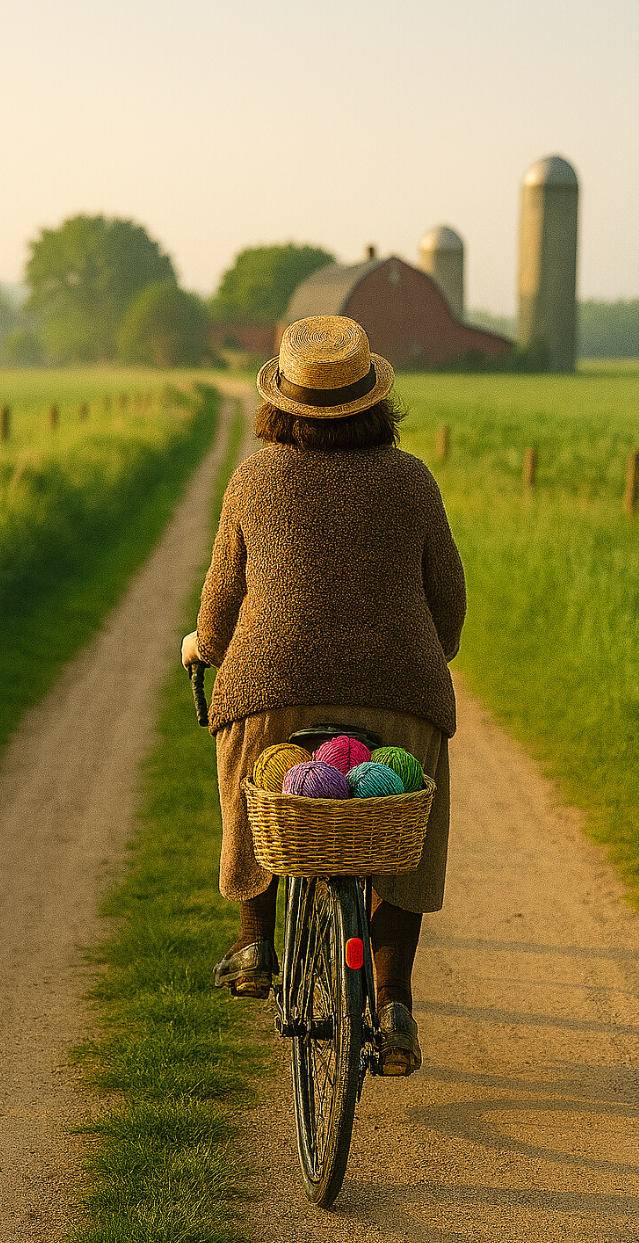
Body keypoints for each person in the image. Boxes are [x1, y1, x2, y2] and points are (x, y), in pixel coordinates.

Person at [181, 314, 465, 1076]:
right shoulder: (411, 478)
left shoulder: (254, 477)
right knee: (407, 822)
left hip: (272, 683)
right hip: (401, 687)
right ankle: (395, 999)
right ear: (374, 399)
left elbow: (221, 601)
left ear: (280, 403)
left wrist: (205, 649)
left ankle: (252, 941)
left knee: (251, 783)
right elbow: (450, 597)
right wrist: (424, 659)